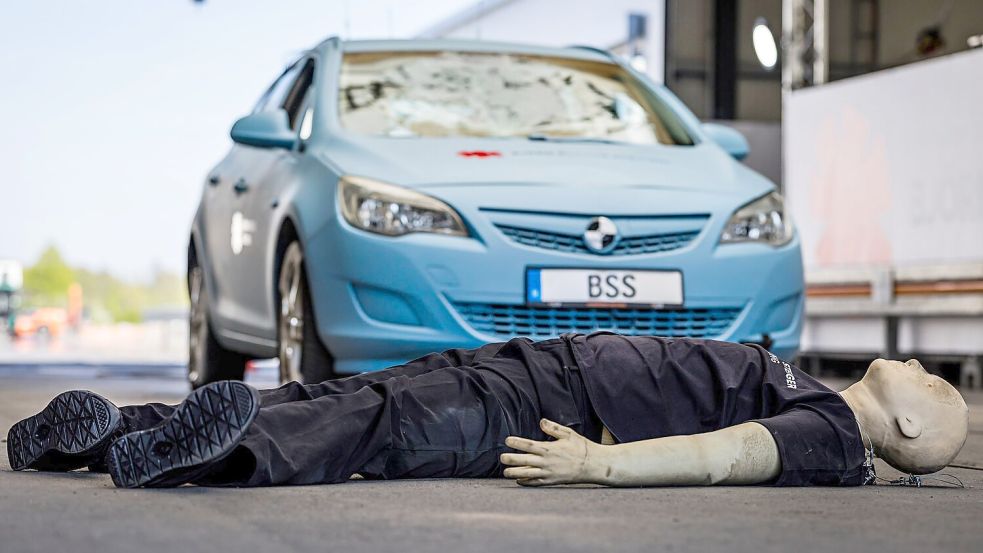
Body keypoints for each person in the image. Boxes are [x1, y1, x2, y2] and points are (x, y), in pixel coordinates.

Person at [6, 333, 969, 489]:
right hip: (533, 366)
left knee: (371, 426)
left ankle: (207, 455)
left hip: (550, 407)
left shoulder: (830, 436)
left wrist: (597, 468)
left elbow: (727, 456)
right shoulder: (808, 382)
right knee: (339, 394)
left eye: (934, 383)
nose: (923, 366)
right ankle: (110, 433)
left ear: (911, 429)